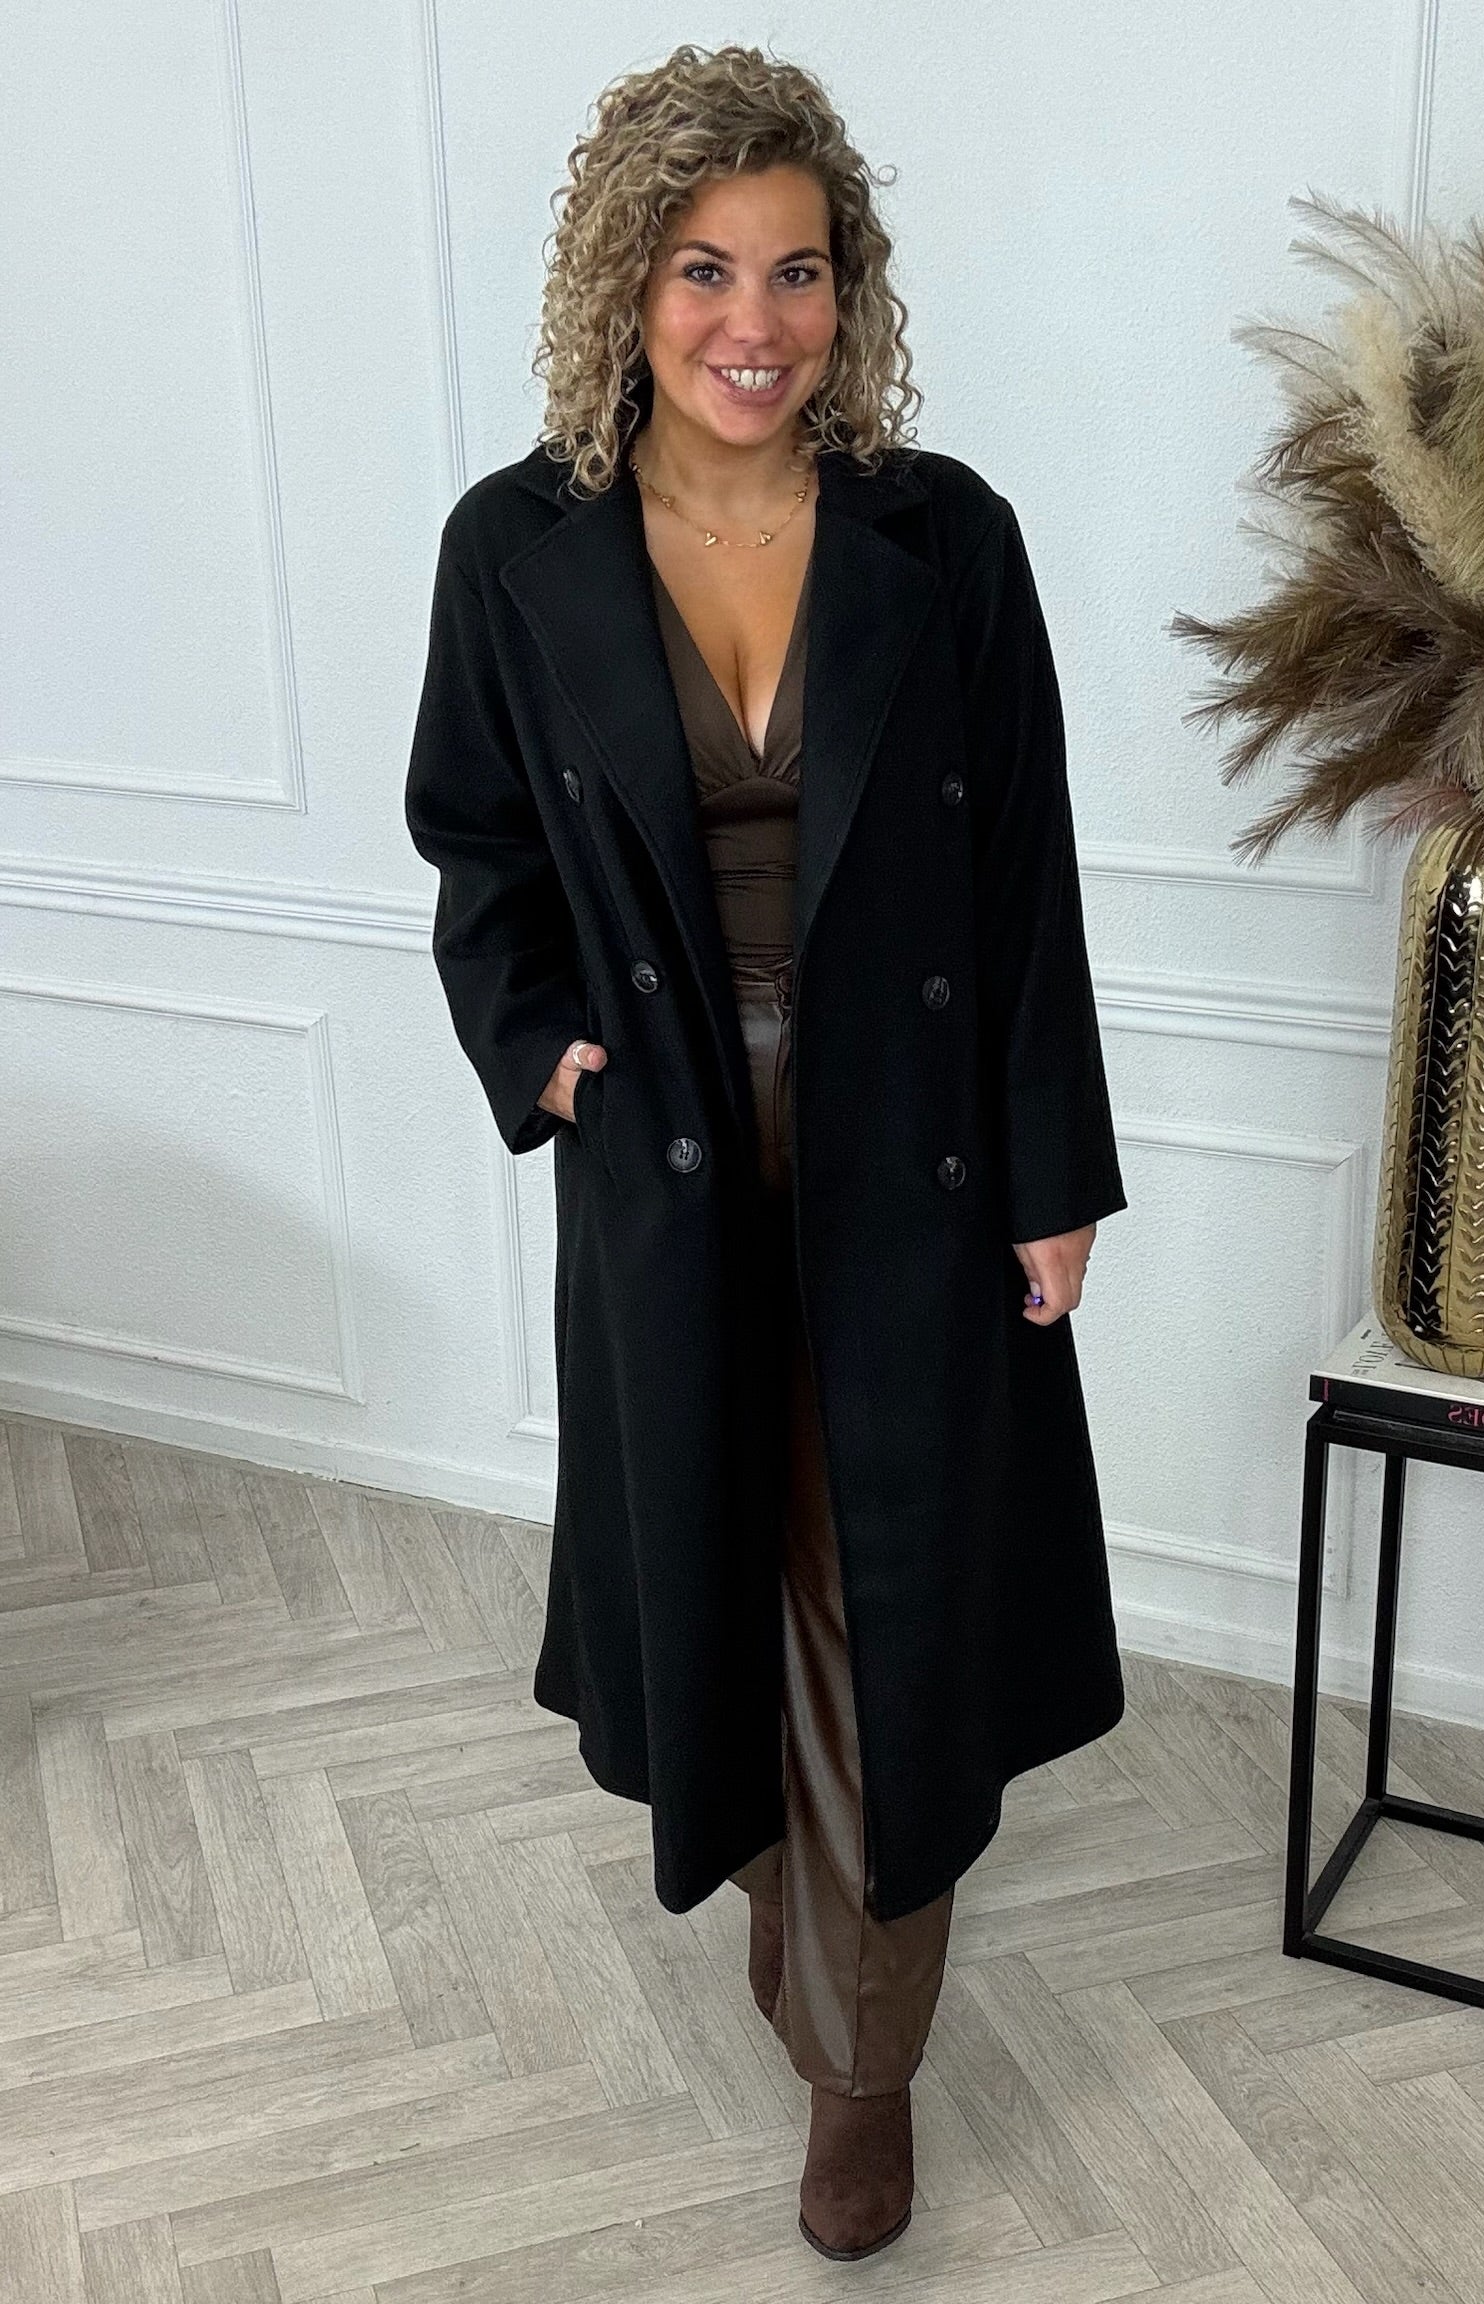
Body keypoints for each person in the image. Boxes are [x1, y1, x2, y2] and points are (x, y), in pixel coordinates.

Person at [404, 41, 1129, 2264]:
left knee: (873, 1587)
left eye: (798, 271)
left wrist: (1052, 1174)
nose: (755, 320)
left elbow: (1024, 872)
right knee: (723, 1553)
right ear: (627, 287)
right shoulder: (515, 546)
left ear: (850, 291)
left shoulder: (945, 535)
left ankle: (861, 2068)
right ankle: (781, 1892)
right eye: (705, 268)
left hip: (910, 1136)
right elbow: (474, 845)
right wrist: (554, 1064)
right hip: (668, 1140)